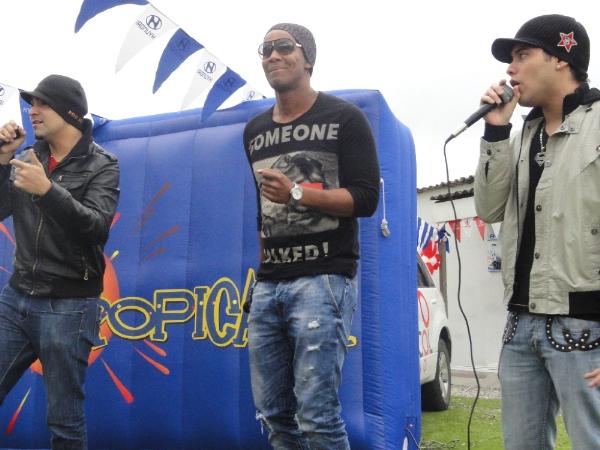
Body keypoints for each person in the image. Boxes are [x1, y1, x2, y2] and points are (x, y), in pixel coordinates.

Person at [243, 23, 380, 449]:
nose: (273, 55)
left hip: (323, 279)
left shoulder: (344, 118)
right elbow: (263, 212)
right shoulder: (255, 131)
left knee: (317, 416)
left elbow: (366, 199)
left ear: (308, 59)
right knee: (273, 414)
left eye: (284, 46)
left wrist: (298, 192)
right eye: (265, 49)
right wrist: (260, 277)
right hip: (270, 284)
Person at [474, 14, 600, 449]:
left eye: (522, 55)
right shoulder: (524, 134)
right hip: (520, 323)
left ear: (561, 58)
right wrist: (496, 129)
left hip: (585, 325)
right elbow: (489, 208)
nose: (510, 69)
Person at [0, 74, 120, 449]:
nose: (32, 111)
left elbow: (96, 228)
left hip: (69, 306)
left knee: (64, 422)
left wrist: (48, 191)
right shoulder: (28, 157)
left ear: (69, 112)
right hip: (17, 296)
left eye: (42, 103)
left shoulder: (102, 164)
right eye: (30, 103)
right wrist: (2, 161)